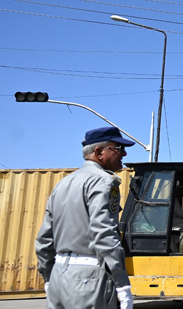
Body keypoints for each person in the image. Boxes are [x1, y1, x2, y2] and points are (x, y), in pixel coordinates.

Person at [35, 126, 135, 309]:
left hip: (58, 276)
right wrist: (122, 283)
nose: (124, 154)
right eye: (118, 148)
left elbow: (44, 240)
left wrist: (48, 277)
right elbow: (104, 233)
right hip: (89, 280)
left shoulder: (63, 184)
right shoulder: (104, 181)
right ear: (99, 152)